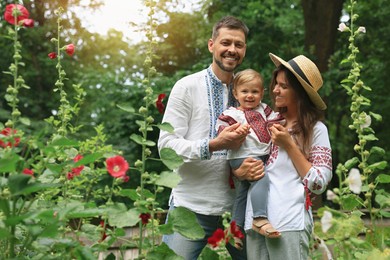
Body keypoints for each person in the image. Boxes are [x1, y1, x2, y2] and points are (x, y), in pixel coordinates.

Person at [158, 16, 263, 259]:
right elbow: (166, 148)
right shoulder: (187, 87)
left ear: (245, 49)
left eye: (239, 45)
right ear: (211, 45)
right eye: (226, 42)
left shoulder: (249, 92)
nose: (232, 50)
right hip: (191, 207)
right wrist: (214, 144)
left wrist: (249, 166)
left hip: (240, 210)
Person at [241, 53, 333, 260]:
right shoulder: (266, 122)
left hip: (289, 222)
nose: (274, 90)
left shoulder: (316, 130)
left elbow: (318, 183)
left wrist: (289, 144)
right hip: (255, 223)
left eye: (283, 86)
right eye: (276, 84)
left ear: (300, 93)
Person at [216, 69, 285, 249]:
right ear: (235, 93)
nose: (249, 96)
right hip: (241, 155)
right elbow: (221, 132)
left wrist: (277, 125)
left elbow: (277, 120)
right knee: (260, 177)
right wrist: (236, 132)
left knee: (242, 194)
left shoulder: (264, 109)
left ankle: (235, 229)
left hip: (260, 152)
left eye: (255, 92)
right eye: (245, 91)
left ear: (262, 93)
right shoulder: (232, 114)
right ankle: (260, 218)